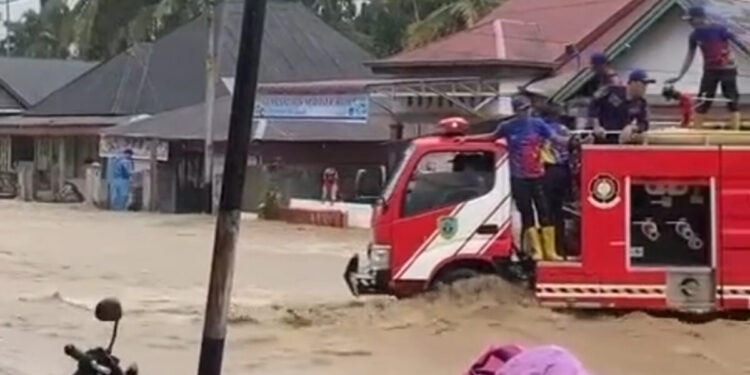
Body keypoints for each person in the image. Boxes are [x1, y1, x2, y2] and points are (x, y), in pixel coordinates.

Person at [476, 96, 568, 261]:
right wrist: (466, 139)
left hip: (538, 174)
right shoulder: (507, 127)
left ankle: (550, 251)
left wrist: (574, 141)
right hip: (518, 177)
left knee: (545, 212)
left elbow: (556, 139)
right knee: (526, 213)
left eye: (527, 109)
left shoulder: (538, 124)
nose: (525, 112)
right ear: (515, 111)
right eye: (521, 110)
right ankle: (536, 250)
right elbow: (490, 137)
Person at [667, 5, 750, 129]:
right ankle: (697, 132)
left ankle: (735, 131)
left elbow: (739, 43)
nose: (690, 23)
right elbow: (690, 55)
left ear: (700, 18)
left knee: (732, 100)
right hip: (710, 71)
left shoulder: (719, 29)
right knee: (703, 100)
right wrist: (680, 75)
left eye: (691, 20)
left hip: (727, 70)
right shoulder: (694, 35)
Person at [539, 105, 572, 257]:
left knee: (545, 212)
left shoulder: (540, 129)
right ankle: (560, 249)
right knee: (559, 212)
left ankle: (547, 249)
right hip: (564, 172)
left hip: (547, 171)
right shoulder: (564, 129)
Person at [589, 69, 653, 144]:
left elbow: (644, 124)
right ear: (633, 83)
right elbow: (592, 105)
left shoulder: (641, 103)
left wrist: (633, 128)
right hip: (599, 139)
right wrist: (596, 125)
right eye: (643, 84)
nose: (645, 88)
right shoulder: (610, 91)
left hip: (621, 141)